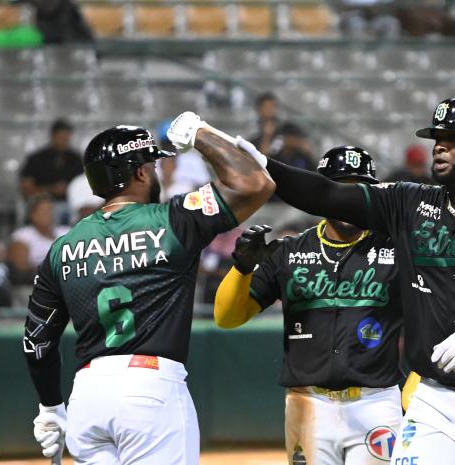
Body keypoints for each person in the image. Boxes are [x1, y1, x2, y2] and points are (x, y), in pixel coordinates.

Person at [239, 96, 455, 465]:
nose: (439, 146)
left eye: (452, 138)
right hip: (436, 400)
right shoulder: (408, 203)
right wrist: (265, 165)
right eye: (436, 138)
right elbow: (326, 195)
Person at [22, 120, 274, 464]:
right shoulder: (172, 219)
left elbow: (37, 342)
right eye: (152, 166)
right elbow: (255, 183)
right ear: (140, 173)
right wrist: (199, 132)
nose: (155, 173)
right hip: (150, 389)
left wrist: (50, 406)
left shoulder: (62, 246)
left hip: (87, 396)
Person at [214, 146, 404, 465]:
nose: (348, 199)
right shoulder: (289, 251)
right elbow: (226, 318)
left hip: (376, 402)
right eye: (339, 187)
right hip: (308, 403)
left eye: (360, 188)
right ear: (321, 194)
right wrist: (242, 270)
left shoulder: (397, 250)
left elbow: (431, 320)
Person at [8, 195, 70, 284]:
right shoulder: (23, 236)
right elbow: (19, 269)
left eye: (49, 209)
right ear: (32, 214)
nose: (47, 214)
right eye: (42, 210)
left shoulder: (65, 232)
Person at [19, 119, 84, 201]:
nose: (63, 142)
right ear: (53, 136)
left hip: (71, 204)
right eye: (61, 138)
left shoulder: (76, 159)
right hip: (42, 204)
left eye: (66, 139)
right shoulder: (36, 159)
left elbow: (83, 184)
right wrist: (51, 189)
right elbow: (26, 188)